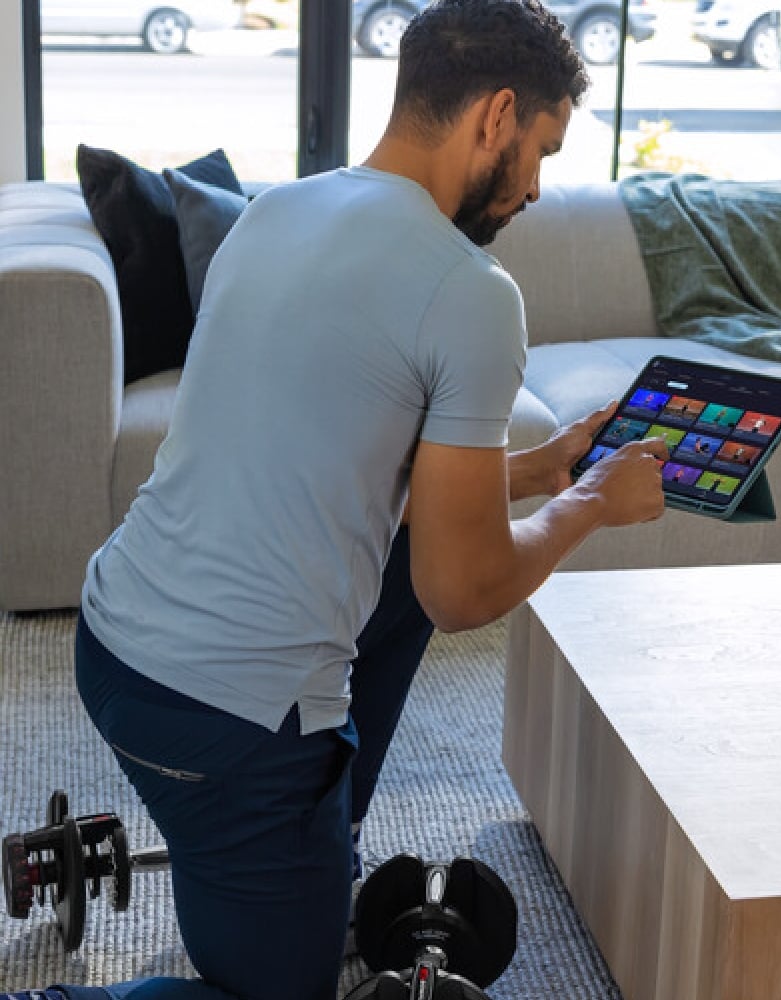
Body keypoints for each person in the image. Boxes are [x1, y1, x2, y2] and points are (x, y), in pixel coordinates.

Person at [4, 3, 667, 999]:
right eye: (540, 150)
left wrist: (549, 468)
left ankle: (322, 830)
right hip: (224, 723)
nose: (536, 186)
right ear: (494, 116)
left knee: (395, 561)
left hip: (114, 644)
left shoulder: (282, 210)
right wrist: (594, 510)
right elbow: (464, 589)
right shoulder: (470, 289)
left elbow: (348, 462)